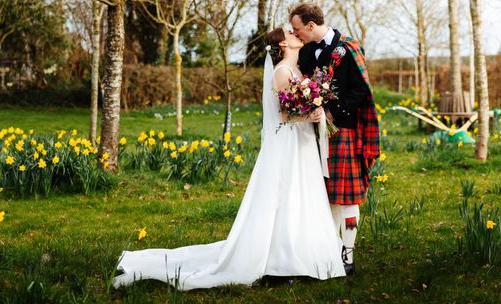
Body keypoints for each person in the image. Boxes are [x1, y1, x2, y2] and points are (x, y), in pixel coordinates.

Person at [113, 27, 345, 291]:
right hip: (289, 143)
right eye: (290, 32)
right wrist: (310, 115)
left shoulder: (297, 71)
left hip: (299, 143)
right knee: (286, 195)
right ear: (283, 42)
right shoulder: (282, 72)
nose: (295, 34)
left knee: (301, 194)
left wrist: (313, 108)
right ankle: (282, 258)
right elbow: (283, 117)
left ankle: (301, 253)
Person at [290, 3, 380, 276]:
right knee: (327, 195)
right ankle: (330, 251)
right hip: (313, 134)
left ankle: (348, 256)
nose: (296, 34)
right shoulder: (305, 52)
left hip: (343, 131)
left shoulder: (348, 47)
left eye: (297, 29)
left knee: (347, 196)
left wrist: (332, 111)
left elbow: (361, 91)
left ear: (310, 25)